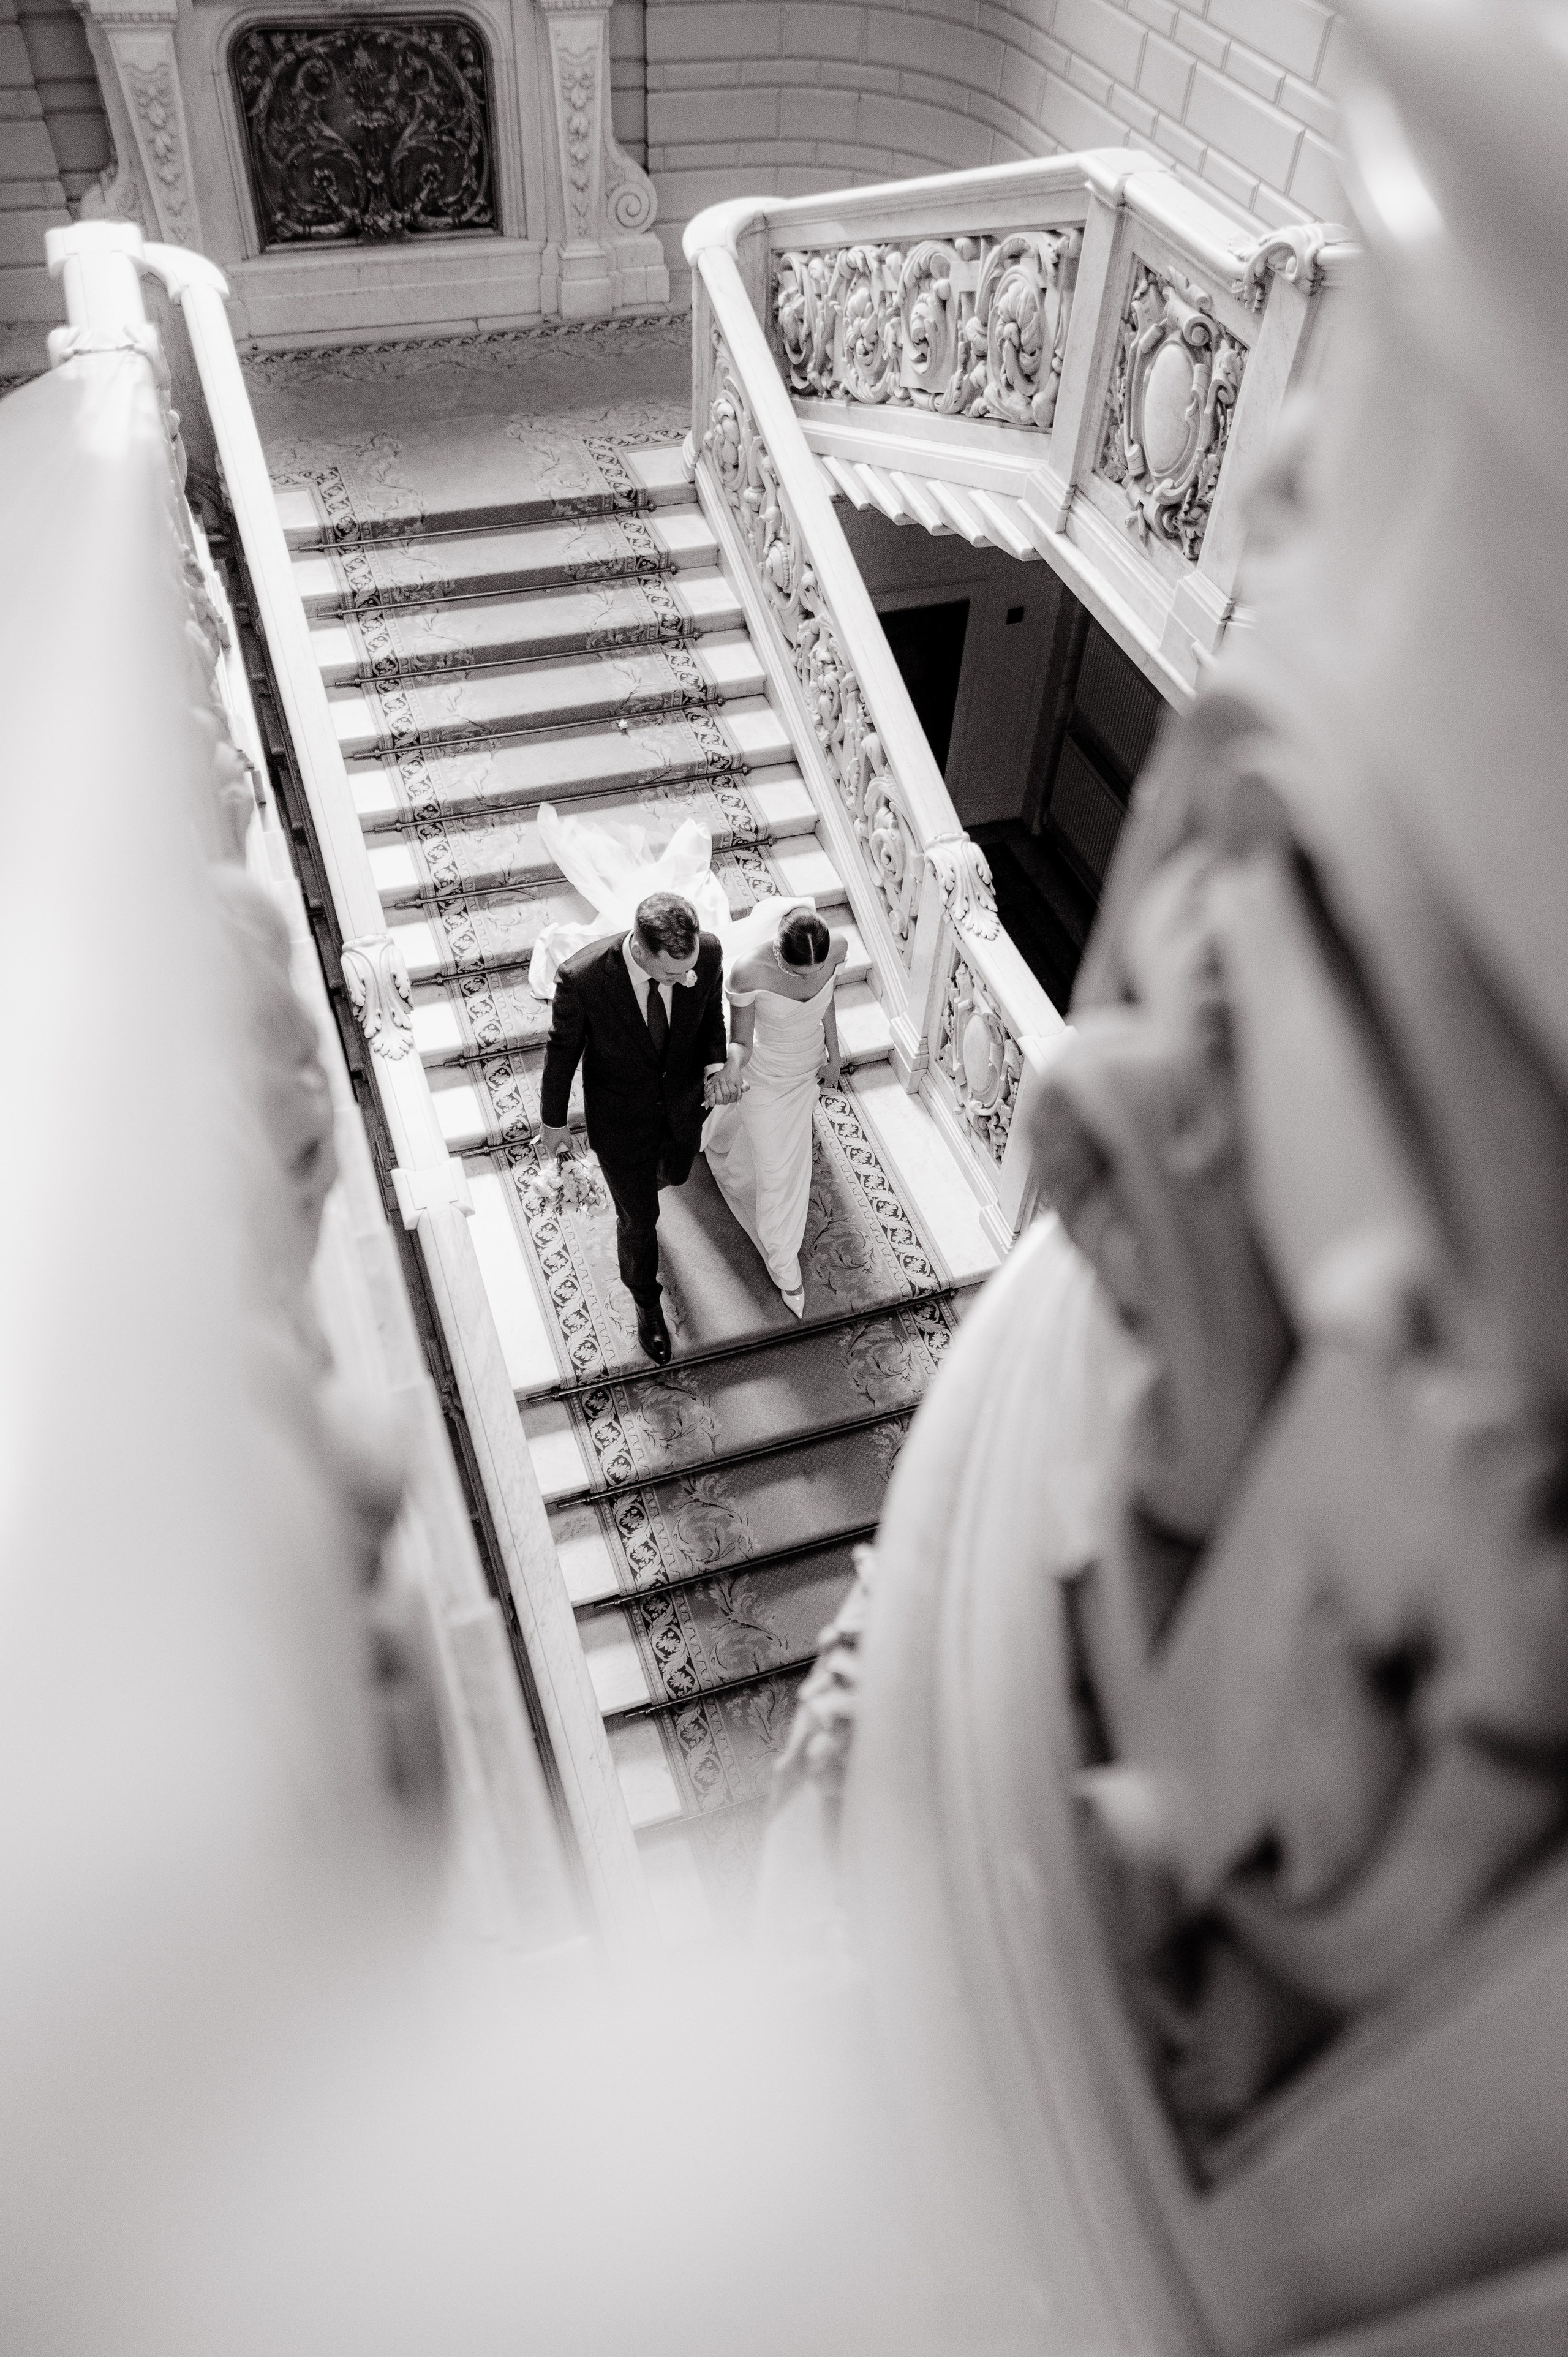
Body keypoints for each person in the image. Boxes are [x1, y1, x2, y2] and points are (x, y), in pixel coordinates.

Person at [538, 892, 745, 1365]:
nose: (683, 978)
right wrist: (554, 1122)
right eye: (672, 974)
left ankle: (645, 1190)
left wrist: (716, 1068)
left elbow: (710, 1014)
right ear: (641, 949)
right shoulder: (583, 979)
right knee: (639, 1220)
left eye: (687, 969)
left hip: (683, 1105)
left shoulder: (707, 953)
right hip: (620, 1119)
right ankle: (646, 1300)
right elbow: (562, 1052)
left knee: (674, 1174)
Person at [702, 905, 846, 1318]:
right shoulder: (748, 971)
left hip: (807, 1069)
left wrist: (834, 1055)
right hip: (764, 1078)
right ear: (779, 955)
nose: (806, 980)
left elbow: (827, 1002)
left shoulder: (838, 947)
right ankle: (785, 1266)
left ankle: (741, 1167)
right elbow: (742, 1042)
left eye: (813, 972)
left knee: (789, 1152)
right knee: (778, 1170)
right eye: (798, 973)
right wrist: (730, 1070)